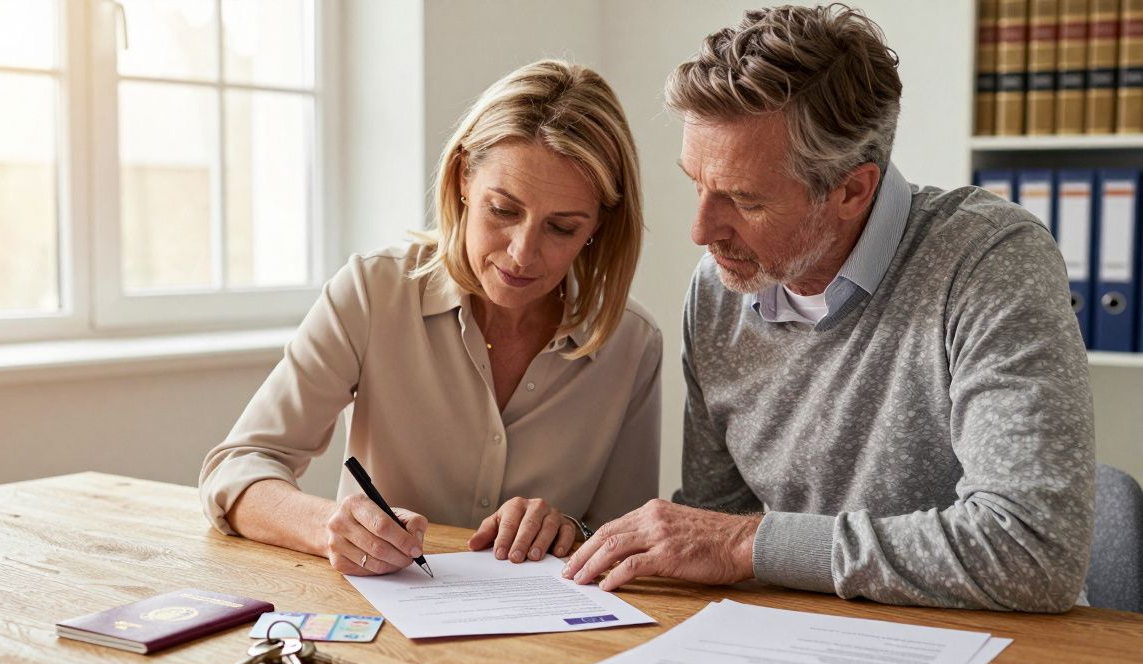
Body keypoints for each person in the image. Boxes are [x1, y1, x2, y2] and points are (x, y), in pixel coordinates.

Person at [563, 5, 1095, 612]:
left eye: (743, 198)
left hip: (994, 654)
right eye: (696, 183)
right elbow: (710, 533)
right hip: (805, 642)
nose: (702, 230)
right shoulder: (718, 290)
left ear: (852, 190)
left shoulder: (989, 263)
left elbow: (1033, 553)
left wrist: (751, 543)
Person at [201, 59, 661, 577]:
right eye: (503, 211)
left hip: (549, 639)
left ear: (599, 224)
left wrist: (570, 529)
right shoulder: (373, 294)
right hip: (379, 624)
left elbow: (631, 535)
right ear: (465, 177)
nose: (521, 254)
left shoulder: (632, 345)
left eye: (561, 228)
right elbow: (237, 469)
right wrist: (330, 525)